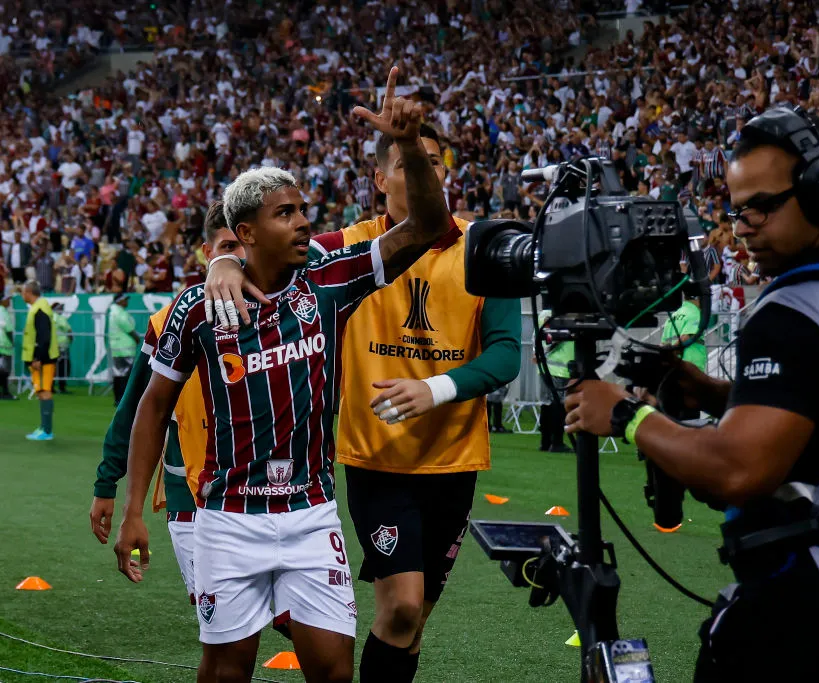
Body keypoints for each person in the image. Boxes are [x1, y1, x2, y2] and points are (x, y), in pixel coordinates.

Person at [564, 108, 819, 680]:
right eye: (736, 208)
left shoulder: (798, 308)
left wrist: (627, 416)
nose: (744, 223)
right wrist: (708, 393)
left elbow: (738, 470)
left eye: (761, 204)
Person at [114, 69, 452, 683]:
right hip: (228, 518)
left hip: (311, 514)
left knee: (332, 670)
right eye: (285, 213)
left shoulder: (328, 281)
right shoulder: (198, 309)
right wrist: (133, 508)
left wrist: (406, 146)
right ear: (245, 234)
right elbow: (154, 406)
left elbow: (426, 228)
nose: (303, 222)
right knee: (228, 668)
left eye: (303, 209)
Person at [208, 121, 522, 682]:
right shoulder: (350, 248)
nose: (427, 172)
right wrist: (224, 261)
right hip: (376, 460)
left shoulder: (482, 247)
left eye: (435, 161)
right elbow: (268, 255)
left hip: (453, 462)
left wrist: (435, 388)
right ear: (379, 179)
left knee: (411, 622)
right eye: (409, 163)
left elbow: (505, 356)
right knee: (400, 606)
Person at [92, 202, 244, 608]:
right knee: (217, 619)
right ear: (207, 252)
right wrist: (108, 485)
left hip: (265, 492)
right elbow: (136, 411)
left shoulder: (281, 315)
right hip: (188, 494)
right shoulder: (169, 320)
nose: (237, 256)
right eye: (227, 245)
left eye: (244, 244)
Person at [21, 280, 58, 440]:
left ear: (29, 292)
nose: (22, 295)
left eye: (23, 292)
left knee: (45, 392)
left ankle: (47, 431)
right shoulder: (39, 308)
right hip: (42, 358)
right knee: (42, 391)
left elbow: (44, 337)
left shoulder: (39, 310)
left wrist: (38, 358)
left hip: (43, 359)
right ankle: (44, 427)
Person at [538, 310, 572, 454]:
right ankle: (557, 442)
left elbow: (539, 335)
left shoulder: (542, 314)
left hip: (546, 366)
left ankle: (545, 442)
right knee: (558, 404)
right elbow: (554, 336)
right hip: (560, 366)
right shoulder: (558, 314)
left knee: (547, 403)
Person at [107, 292, 140, 406]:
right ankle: (123, 399)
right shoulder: (119, 313)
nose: (127, 301)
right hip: (124, 348)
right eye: (125, 299)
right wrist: (136, 337)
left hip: (118, 347)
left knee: (119, 374)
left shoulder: (114, 312)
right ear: (119, 301)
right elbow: (127, 326)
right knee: (125, 375)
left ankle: (118, 399)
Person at [52, 302, 72, 394]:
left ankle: (51, 386)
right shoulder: (59, 317)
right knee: (63, 367)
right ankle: (62, 387)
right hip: (62, 347)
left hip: (54, 346)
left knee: (54, 367)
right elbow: (68, 330)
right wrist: (71, 338)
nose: (62, 309)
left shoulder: (50, 317)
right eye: (60, 307)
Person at [0, 291, 14, 399]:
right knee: (4, 371)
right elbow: (8, 329)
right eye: (7, 299)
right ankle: (5, 392)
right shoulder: (3, 312)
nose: (9, 301)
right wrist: (12, 341)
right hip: (4, 346)